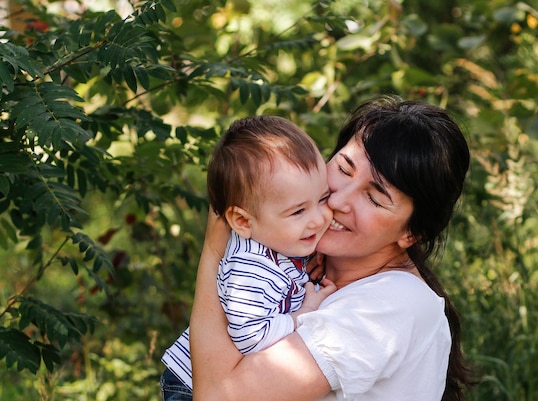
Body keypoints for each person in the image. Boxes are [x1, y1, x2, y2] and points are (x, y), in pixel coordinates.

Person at [190, 95, 474, 401]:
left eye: (374, 198)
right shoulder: (299, 265)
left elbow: (216, 396)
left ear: (411, 233)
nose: (336, 201)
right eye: (344, 168)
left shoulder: (390, 307)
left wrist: (215, 249)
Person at [160, 116, 337, 400]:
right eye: (298, 211)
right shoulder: (250, 268)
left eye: (323, 199)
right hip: (189, 384)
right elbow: (251, 335)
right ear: (242, 221)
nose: (318, 220)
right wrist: (301, 315)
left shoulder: (274, 235)